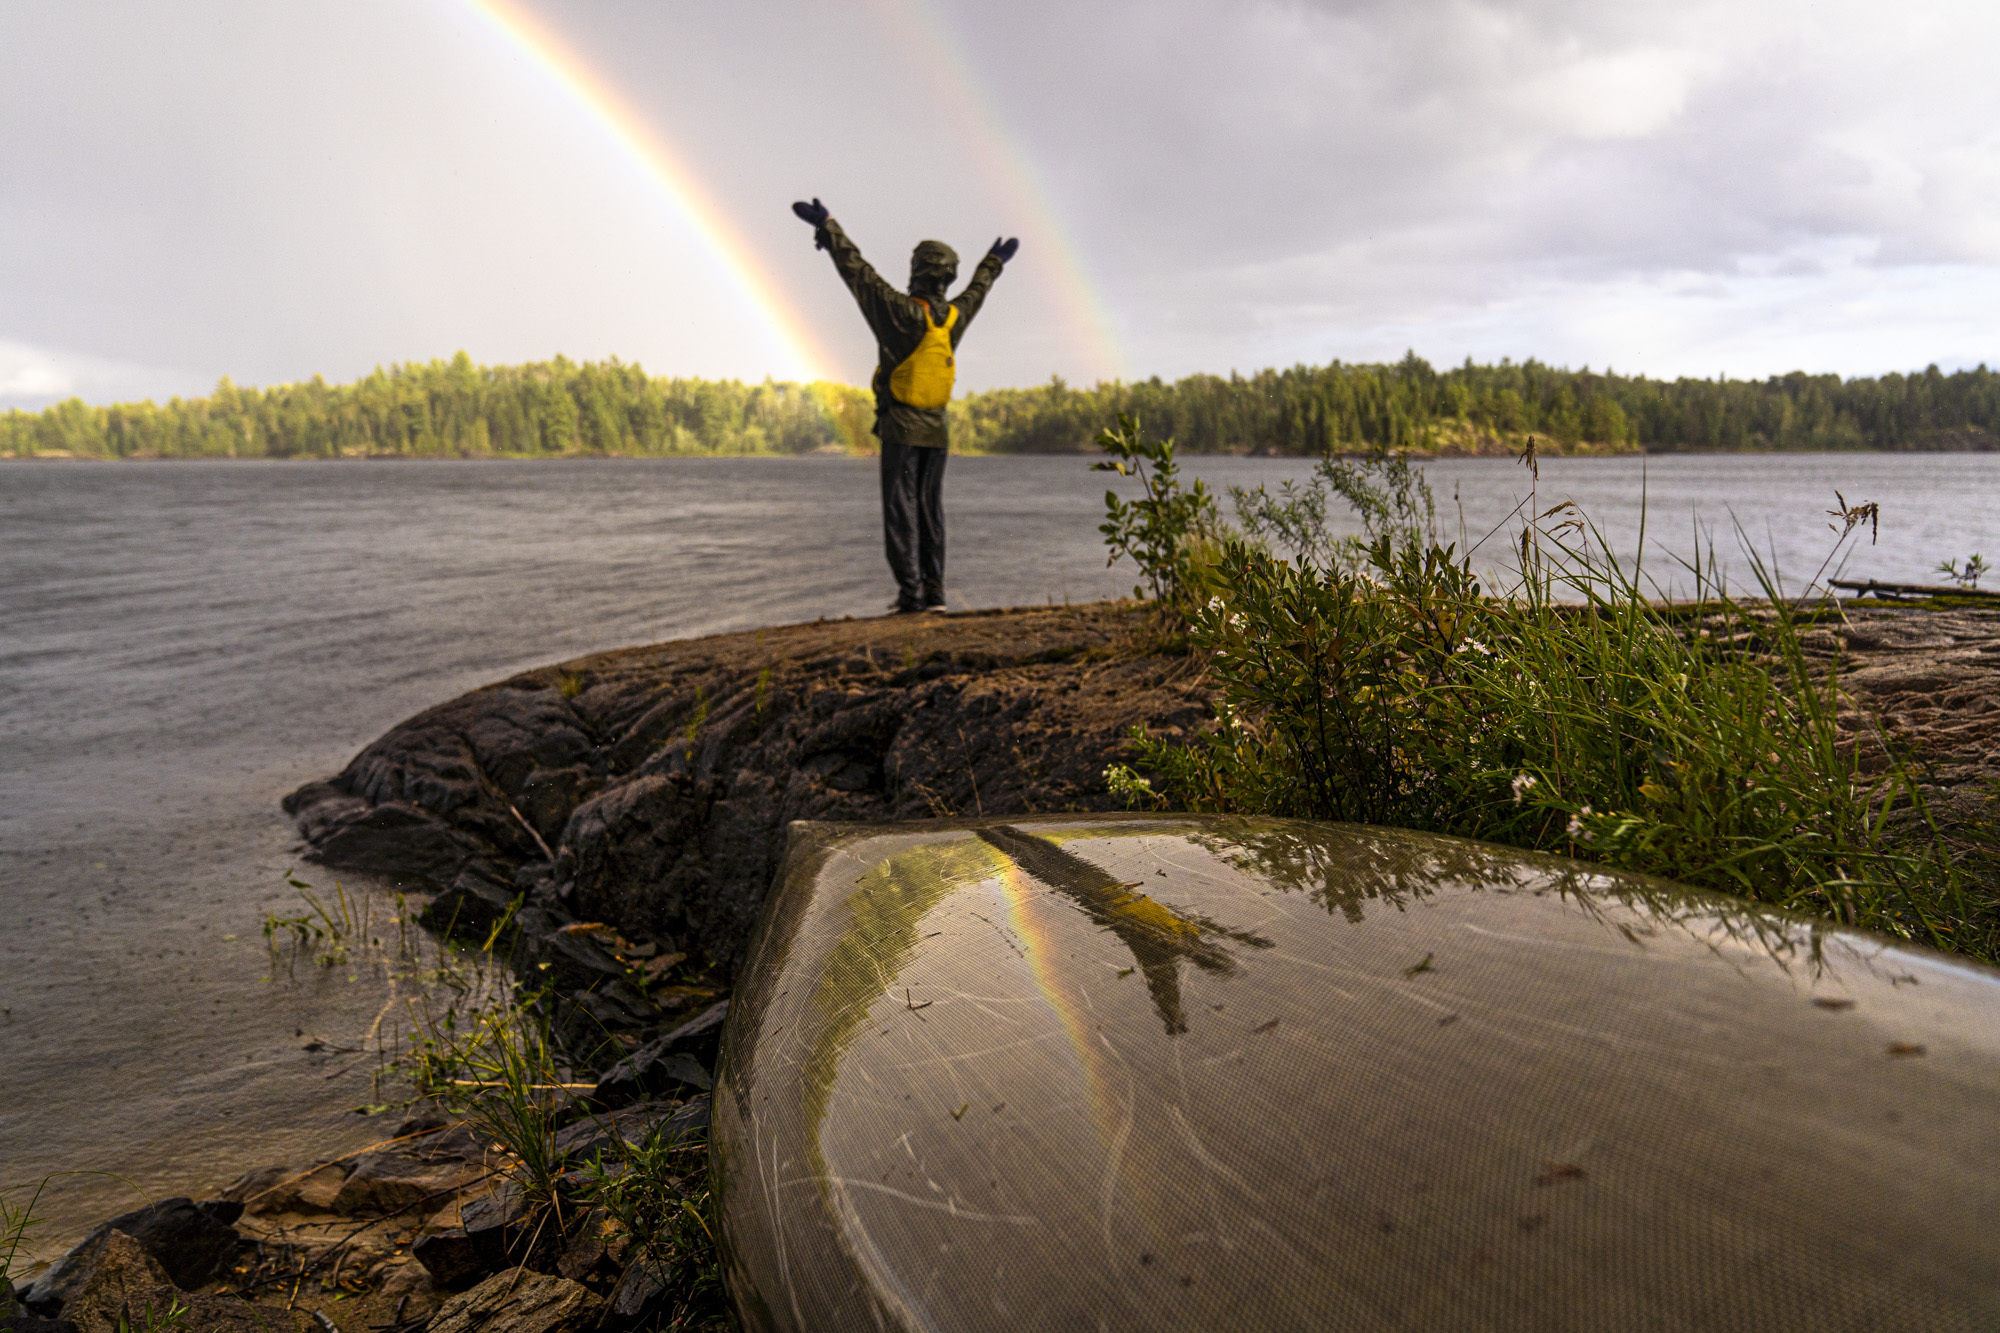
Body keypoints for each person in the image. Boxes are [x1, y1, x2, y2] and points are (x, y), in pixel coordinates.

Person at [791, 197, 1018, 614]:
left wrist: (827, 226)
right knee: (931, 509)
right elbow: (978, 291)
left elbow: (857, 273)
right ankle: (936, 594)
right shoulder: (953, 317)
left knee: (902, 512)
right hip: (937, 432)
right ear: (947, 276)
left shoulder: (899, 312)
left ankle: (912, 595)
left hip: (901, 428)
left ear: (916, 270)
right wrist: (993, 261)